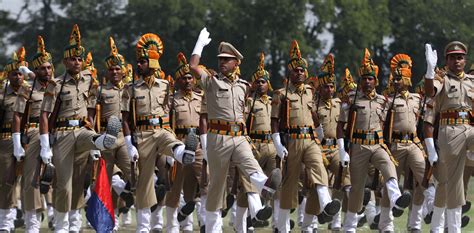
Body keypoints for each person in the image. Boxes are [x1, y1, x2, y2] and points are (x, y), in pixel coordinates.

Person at [189, 28, 281, 232]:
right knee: (216, 186)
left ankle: (265, 186)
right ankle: (213, 228)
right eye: (220, 59)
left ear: (236, 63)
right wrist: (200, 44)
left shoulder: (244, 86)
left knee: (250, 163)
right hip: (217, 138)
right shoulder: (211, 82)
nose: (222, 62)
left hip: (239, 136)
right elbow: (193, 66)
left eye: (227, 59)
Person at [38, 24, 121, 231]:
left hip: (83, 130)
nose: (77, 62)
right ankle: (61, 225)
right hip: (63, 134)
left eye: (79, 59)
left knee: (80, 179)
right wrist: (45, 145)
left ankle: (101, 141)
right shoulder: (56, 84)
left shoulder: (89, 81)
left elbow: (91, 112)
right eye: (73, 59)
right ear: (65, 61)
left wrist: (93, 140)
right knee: (64, 185)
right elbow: (45, 115)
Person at [271, 40, 341, 232]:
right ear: (290, 73)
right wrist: (277, 144)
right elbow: (275, 121)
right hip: (292, 141)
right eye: (296, 71)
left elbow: (315, 117)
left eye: (302, 70)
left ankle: (326, 204)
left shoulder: (311, 92)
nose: (300, 73)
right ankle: (282, 225)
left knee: (319, 168)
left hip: (310, 140)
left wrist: (319, 138)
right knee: (289, 183)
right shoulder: (281, 94)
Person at [338, 48, 411, 232]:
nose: (367, 81)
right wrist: (342, 149)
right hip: (359, 145)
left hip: (378, 144)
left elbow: (388, 124)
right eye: (364, 78)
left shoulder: (382, 101)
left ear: (375, 81)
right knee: (357, 188)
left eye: (370, 79)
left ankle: (396, 198)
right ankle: (350, 226)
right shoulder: (352, 100)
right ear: (360, 81)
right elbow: (341, 126)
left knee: (389, 166)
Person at [120, 33, 187, 232]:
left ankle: (182, 152)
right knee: (143, 182)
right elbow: (125, 119)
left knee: (172, 141)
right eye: (138, 61)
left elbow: (170, 114)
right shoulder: (130, 89)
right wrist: (129, 144)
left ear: (152, 62)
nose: (138, 65)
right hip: (142, 134)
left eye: (142, 61)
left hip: (162, 129)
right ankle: (143, 227)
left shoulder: (166, 86)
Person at [424, 41, 474, 232]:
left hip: (469, 129)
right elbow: (430, 92)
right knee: (451, 184)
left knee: (450, 184)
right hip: (450, 132)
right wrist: (430, 70)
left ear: (465, 59)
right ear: (447, 60)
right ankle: (452, 228)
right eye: (453, 57)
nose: (457, 61)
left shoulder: (471, 81)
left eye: (460, 57)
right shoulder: (442, 79)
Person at [86, 37, 134, 230]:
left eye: (118, 68)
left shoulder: (130, 89)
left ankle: (127, 193)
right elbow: (90, 117)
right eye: (111, 69)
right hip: (105, 137)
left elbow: (132, 118)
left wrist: (133, 142)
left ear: (123, 71)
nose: (115, 72)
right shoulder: (100, 90)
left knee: (135, 173)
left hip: (124, 136)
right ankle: (107, 223)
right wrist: (93, 141)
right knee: (104, 181)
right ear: (107, 71)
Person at [305, 53, 351, 231]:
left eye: (332, 86)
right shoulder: (313, 106)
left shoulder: (340, 103)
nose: (329, 90)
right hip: (318, 149)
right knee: (317, 187)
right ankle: (309, 225)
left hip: (336, 148)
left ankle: (353, 206)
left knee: (344, 173)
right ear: (320, 89)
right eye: (326, 87)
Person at [11, 36, 53, 232]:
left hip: (57, 132)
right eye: (42, 68)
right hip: (34, 132)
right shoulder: (27, 90)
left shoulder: (56, 86)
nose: (47, 71)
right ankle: (32, 225)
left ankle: (67, 220)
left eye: (49, 67)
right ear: (36, 71)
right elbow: (17, 117)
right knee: (31, 180)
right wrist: (17, 143)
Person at [163, 52, 205, 233]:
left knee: (205, 182)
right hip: (179, 143)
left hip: (198, 144)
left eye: (190, 77)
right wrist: (170, 151)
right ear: (178, 80)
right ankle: (174, 225)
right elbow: (166, 124)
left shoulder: (201, 97)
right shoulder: (172, 100)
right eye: (184, 78)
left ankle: (205, 222)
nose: (188, 81)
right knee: (175, 186)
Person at [386, 54, 427, 232]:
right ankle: (386, 224)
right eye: (394, 78)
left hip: (413, 144)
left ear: (407, 79)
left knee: (425, 176)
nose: (395, 81)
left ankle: (419, 220)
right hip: (395, 145)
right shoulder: (388, 99)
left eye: (399, 78)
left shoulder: (417, 99)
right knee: (391, 182)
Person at [0, 47, 31, 232]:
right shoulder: (2, 95)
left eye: (20, 74)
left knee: (31, 181)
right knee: (7, 182)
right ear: (8, 76)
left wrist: (32, 74)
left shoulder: (32, 90)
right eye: (14, 74)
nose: (18, 77)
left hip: (30, 139)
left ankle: (29, 218)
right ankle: (6, 222)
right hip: (6, 140)